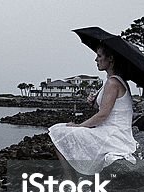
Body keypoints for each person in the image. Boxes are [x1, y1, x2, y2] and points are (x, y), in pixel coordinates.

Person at [48, 43, 138, 175]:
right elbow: (111, 108)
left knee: (58, 132)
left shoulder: (112, 83)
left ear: (111, 59)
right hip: (112, 131)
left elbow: (103, 115)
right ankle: (75, 177)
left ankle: (70, 179)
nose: (96, 60)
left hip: (113, 135)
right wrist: (94, 103)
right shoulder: (114, 81)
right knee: (60, 130)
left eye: (99, 56)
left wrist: (79, 126)